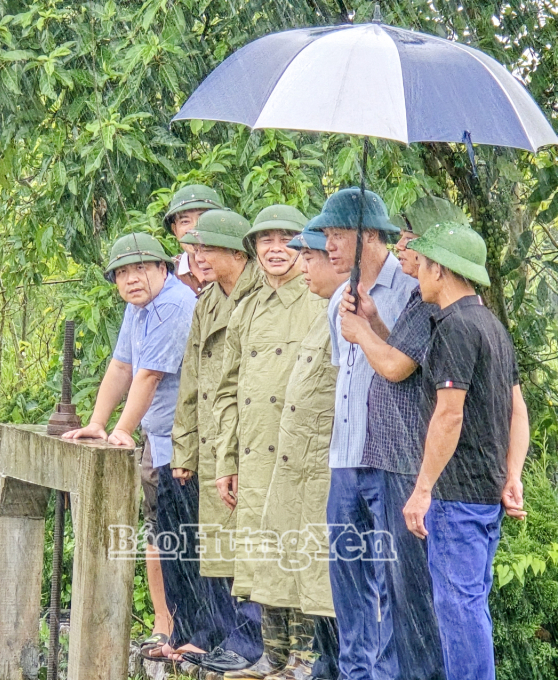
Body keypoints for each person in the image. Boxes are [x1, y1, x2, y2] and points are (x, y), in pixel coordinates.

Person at [338, 197, 463, 680]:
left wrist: (358, 332)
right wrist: (372, 321)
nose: (402, 248)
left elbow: (392, 366)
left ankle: (413, 672)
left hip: (407, 458)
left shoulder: (433, 306)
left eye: (411, 239)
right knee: (392, 581)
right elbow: (402, 353)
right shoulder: (419, 303)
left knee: (407, 587)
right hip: (391, 455)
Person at [401, 221, 530, 680]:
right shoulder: (491, 325)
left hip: (457, 498)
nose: (416, 271)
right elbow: (518, 411)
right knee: (470, 606)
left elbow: (449, 415)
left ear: (440, 269)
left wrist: (422, 490)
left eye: (422, 263)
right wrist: (511, 475)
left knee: (459, 611)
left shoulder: (455, 328)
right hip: (486, 493)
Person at [61, 232, 197, 661]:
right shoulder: (138, 309)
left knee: (187, 539)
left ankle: (194, 633)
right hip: (157, 439)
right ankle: (169, 629)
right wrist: (98, 424)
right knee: (161, 535)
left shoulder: (173, 305)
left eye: (141, 268)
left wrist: (122, 429)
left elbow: (151, 375)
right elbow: (122, 366)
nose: (132, 279)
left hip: (187, 442)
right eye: (122, 273)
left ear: (164, 268)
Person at [210, 205, 327, 678]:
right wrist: (225, 460)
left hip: (302, 452)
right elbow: (226, 391)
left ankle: (305, 658)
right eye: (266, 240)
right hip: (255, 453)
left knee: (300, 552)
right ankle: (272, 655)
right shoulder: (245, 310)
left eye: (287, 239)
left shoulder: (321, 302)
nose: (276, 249)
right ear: (253, 249)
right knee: (260, 552)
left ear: (304, 247)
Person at [314, 187, 412, 680]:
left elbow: (410, 368)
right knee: (347, 577)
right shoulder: (337, 299)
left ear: (368, 235)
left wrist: (371, 325)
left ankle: (389, 672)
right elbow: (344, 374)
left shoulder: (411, 290)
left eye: (336, 235)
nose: (328, 246)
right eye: (326, 236)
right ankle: (355, 671)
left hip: (392, 457)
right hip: (344, 457)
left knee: (392, 576)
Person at [248, 225, 347, 680]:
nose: (301, 265)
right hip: (285, 455)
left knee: (312, 563)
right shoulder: (323, 309)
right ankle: (277, 656)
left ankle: (308, 661)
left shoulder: (340, 310)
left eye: (309, 257)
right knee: (276, 555)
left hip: (322, 460)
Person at [166, 209, 265, 666]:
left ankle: (250, 643)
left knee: (245, 547)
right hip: (208, 441)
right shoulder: (207, 301)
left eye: (208, 249)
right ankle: (225, 638)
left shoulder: (259, 295)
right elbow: (192, 380)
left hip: (244, 441)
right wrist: (183, 447)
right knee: (214, 546)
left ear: (234, 250)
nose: (197, 257)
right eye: (194, 248)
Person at [163, 184, 223, 293]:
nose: (194, 228)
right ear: (175, 230)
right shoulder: (166, 273)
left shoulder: (234, 265)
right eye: (185, 221)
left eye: (203, 218)